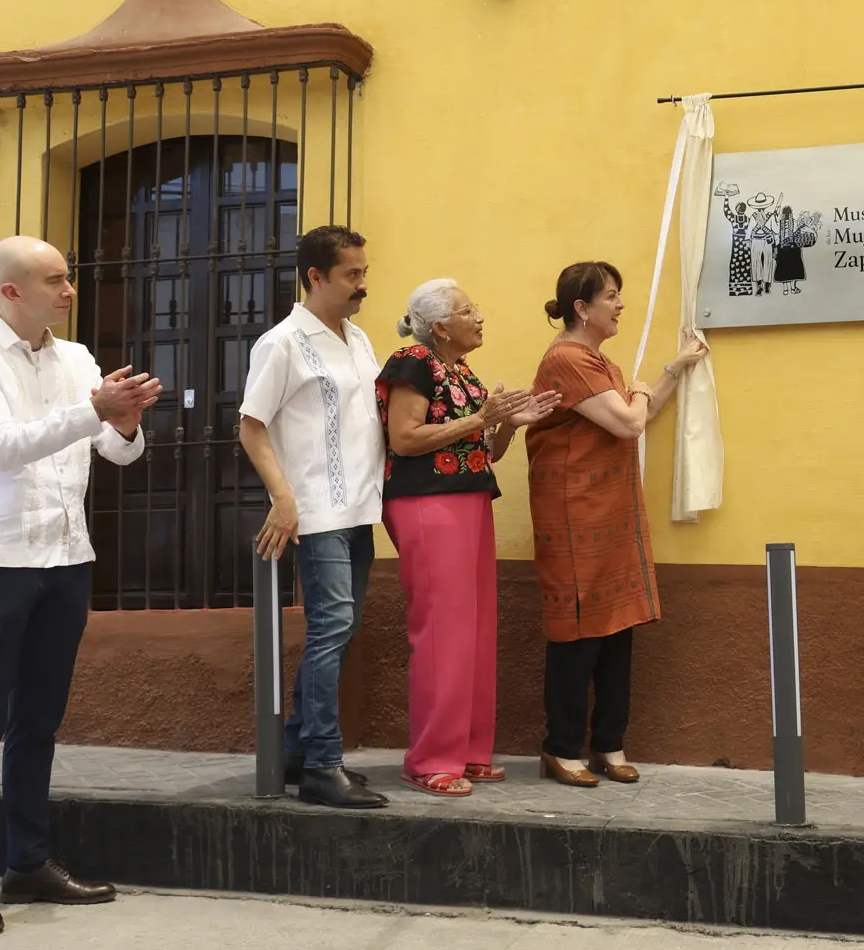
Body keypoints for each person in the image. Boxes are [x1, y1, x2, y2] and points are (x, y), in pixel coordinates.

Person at [0, 236, 161, 935]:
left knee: (39, 721)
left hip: (65, 558)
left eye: (69, 278)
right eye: (55, 280)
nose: (69, 290)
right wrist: (94, 411)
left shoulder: (78, 359)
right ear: (10, 291)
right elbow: (1, 447)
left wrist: (125, 424)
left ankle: (28, 863)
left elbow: (115, 452)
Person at [375, 279, 561, 796]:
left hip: (469, 499)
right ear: (439, 326)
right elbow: (404, 438)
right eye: (467, 310)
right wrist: (481, 418)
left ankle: (469, 752)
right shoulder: (413, 361)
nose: (479, 317)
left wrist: (509, 424)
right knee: (442, 632)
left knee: (474, 628)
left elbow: (486, 449)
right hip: (427, 504)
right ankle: (430, 760)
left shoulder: (460, 370)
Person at [526, 261, 708, 787]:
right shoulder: (566, 359)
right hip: (574, 514)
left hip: (607, 513)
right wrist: (644, 390)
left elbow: (636, 415)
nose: (621, 304)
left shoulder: (598, 360)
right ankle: (561, 749)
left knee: (616, 631)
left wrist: (675, 368)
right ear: (582, 308)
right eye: (611, 296)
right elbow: (631, 421)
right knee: (577, 634)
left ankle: (609, 744)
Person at [239, 224, 388, 810]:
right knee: (331, 629)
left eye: (364, 273)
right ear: (316, 276)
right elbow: (251, 426)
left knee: (342, 631)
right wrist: (283, 498)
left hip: (361, 507)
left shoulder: (360, 338)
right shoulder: (280, 342)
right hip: (317, 511)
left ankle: (300, 750)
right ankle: (324, 764)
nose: (362, 284)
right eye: (352, 274)